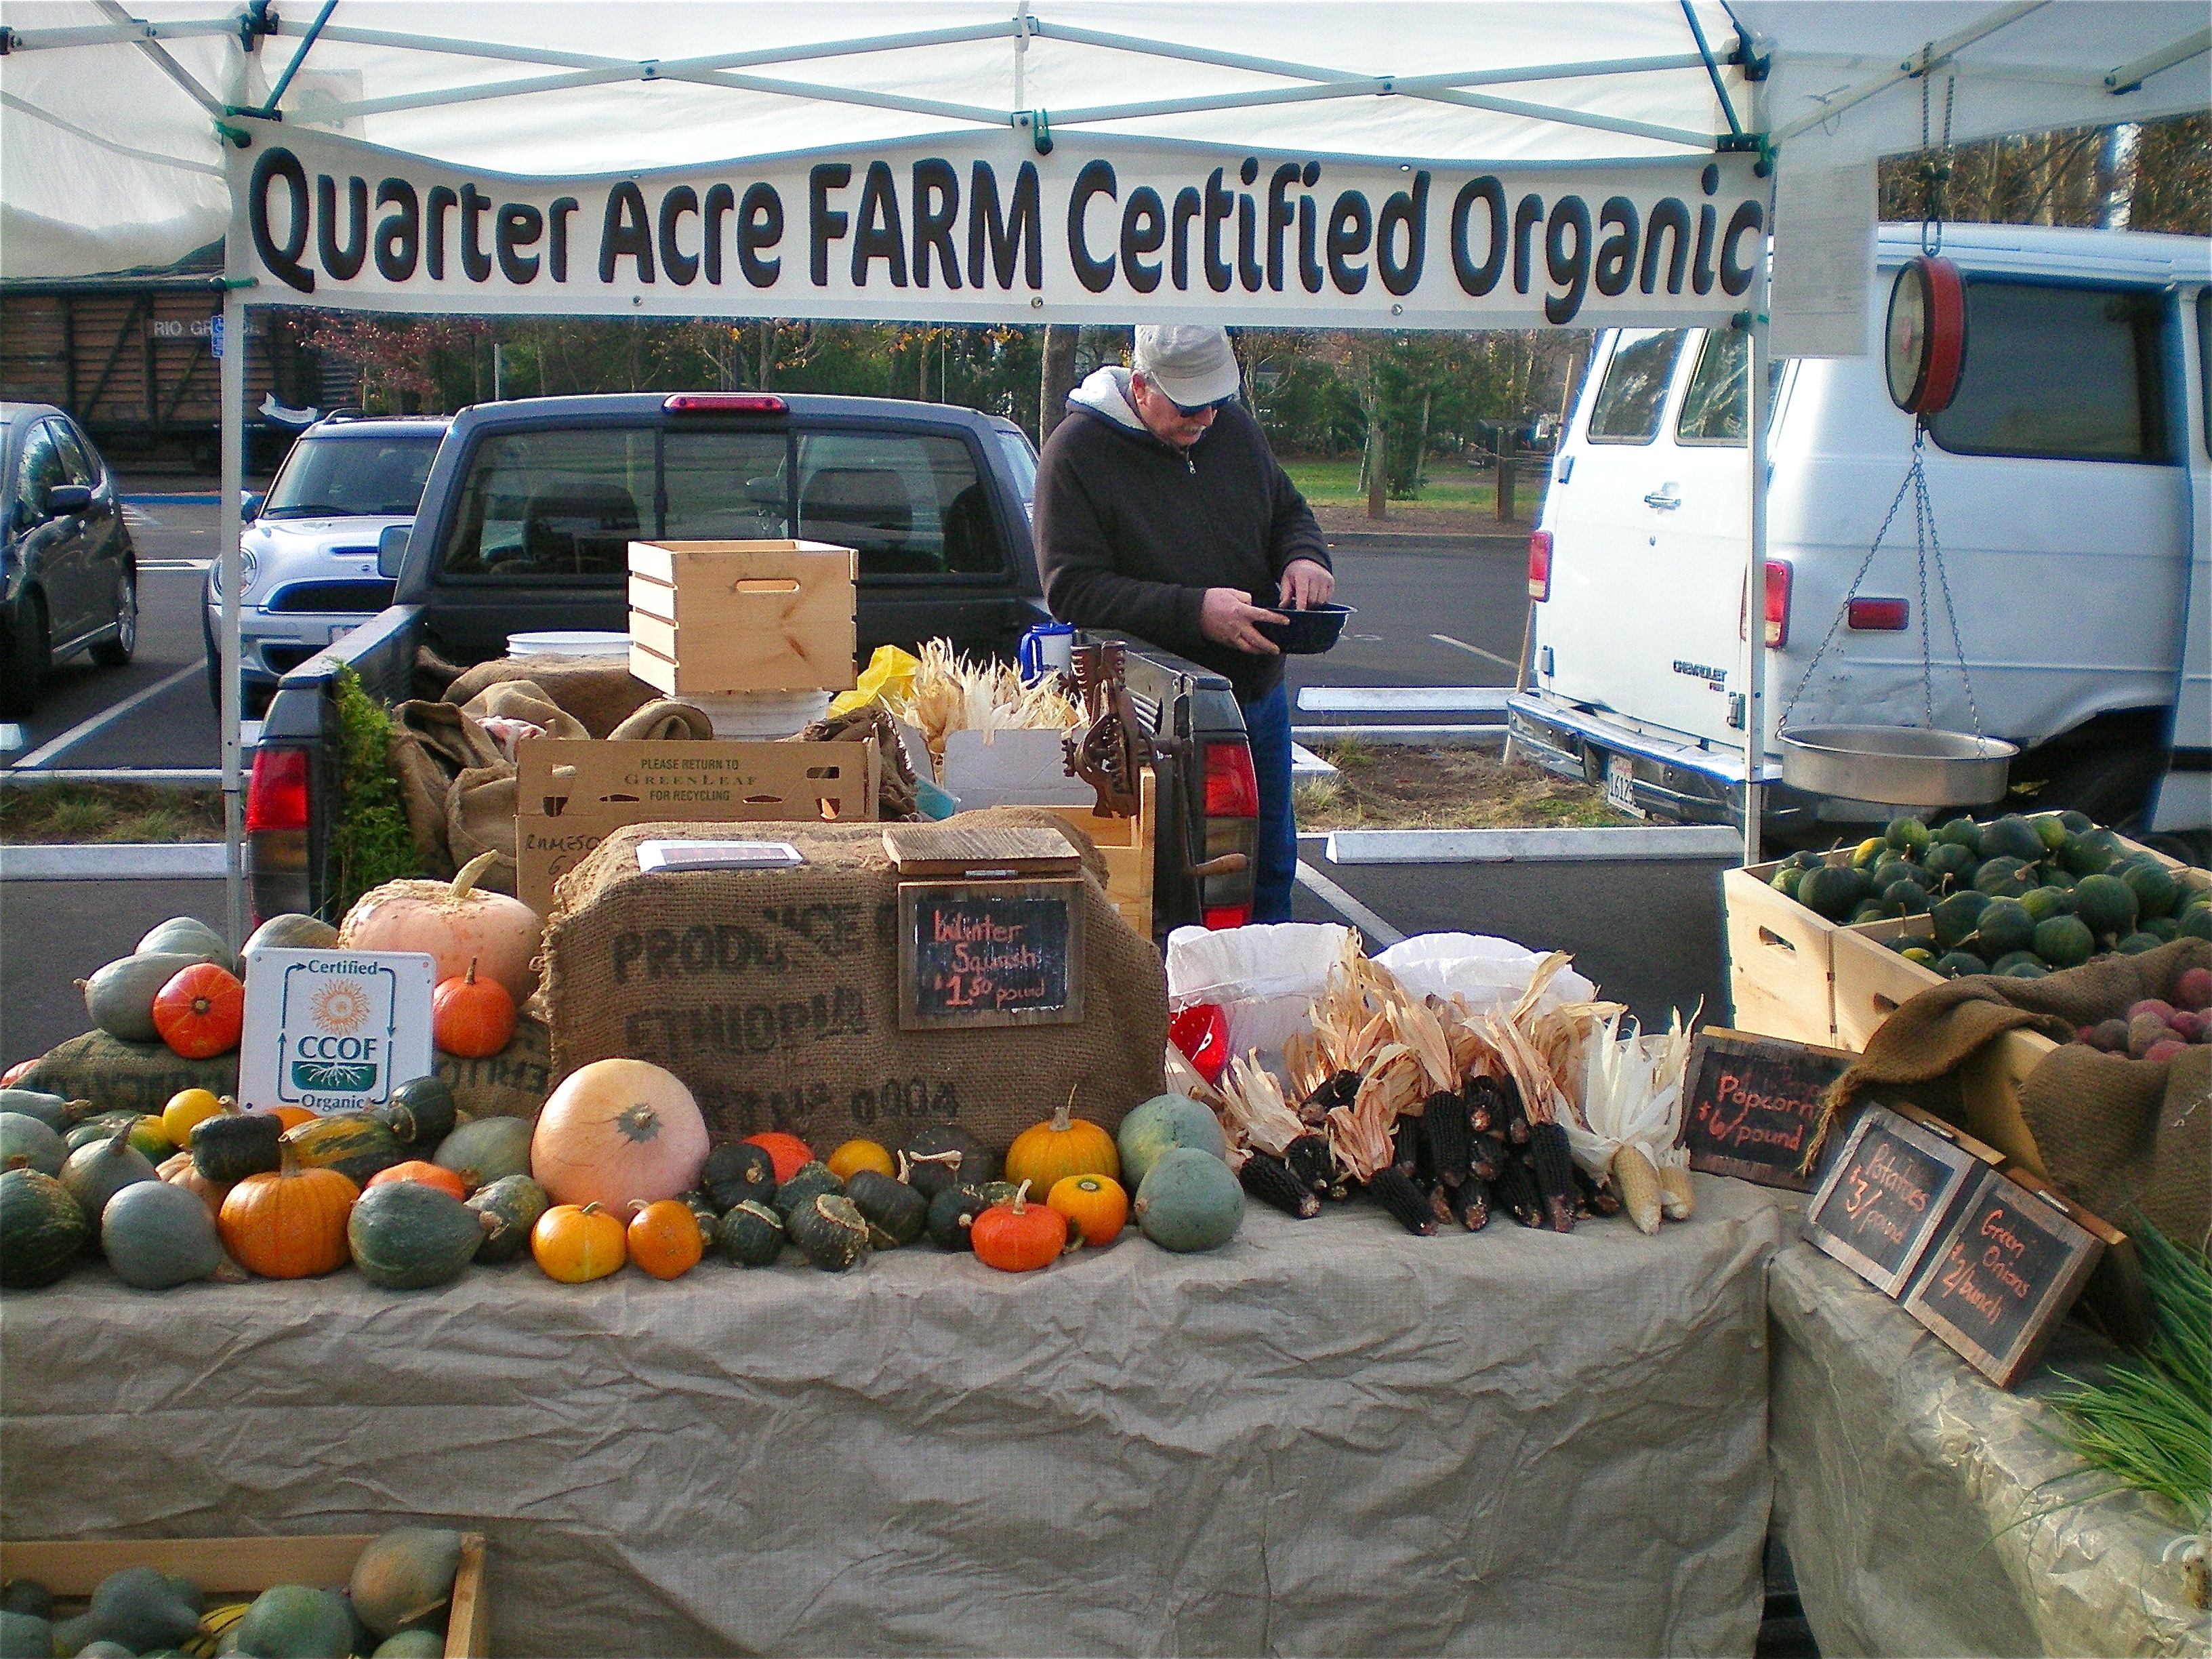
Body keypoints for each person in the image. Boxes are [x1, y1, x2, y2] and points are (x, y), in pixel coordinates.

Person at [1033, 324, 1333, 925]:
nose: (1207, 420)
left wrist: (1306, 555)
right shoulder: (1076, 453)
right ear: (1141, 386)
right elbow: (1072, 589)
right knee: (1190, 890)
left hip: (1259, 694)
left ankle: (1269, 1004)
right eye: (1190, 406)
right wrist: (1196, 611)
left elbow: (1287, 511)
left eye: (1217, 402)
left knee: (1272, 867)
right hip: (1160, 716)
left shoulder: (1235, 430)